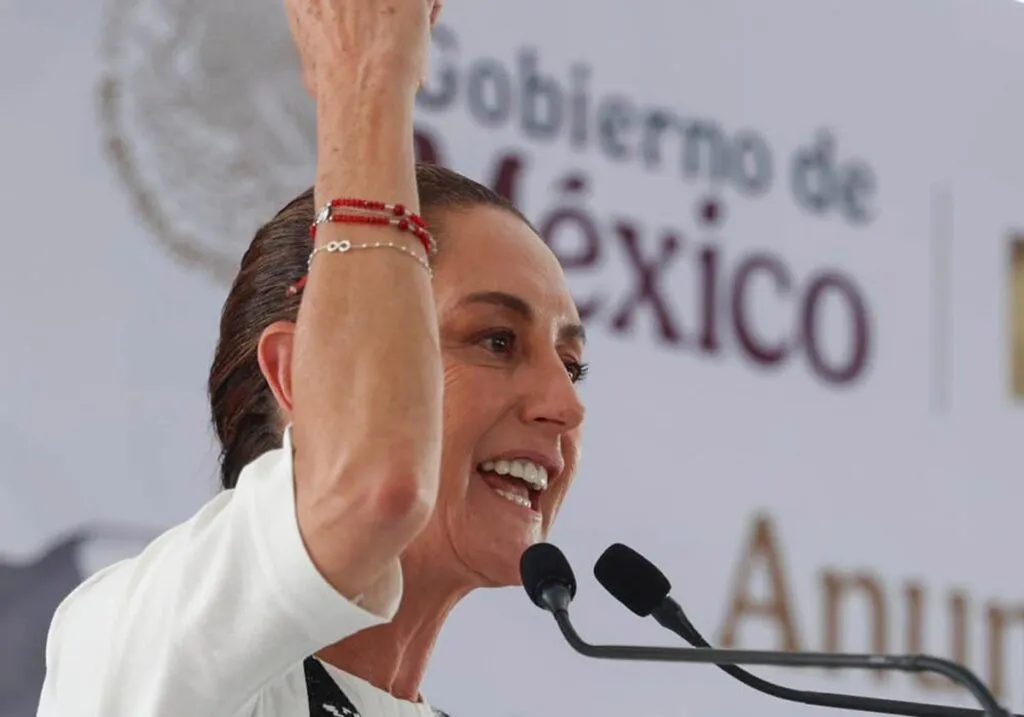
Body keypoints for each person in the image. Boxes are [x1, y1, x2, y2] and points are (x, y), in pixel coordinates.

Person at [36, 0, 588, 715]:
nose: (565, 403)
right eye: (495, 340)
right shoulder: (137, 637)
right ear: (298, 375)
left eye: (572, 365)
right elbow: (374, 486)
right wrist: (367, 79)